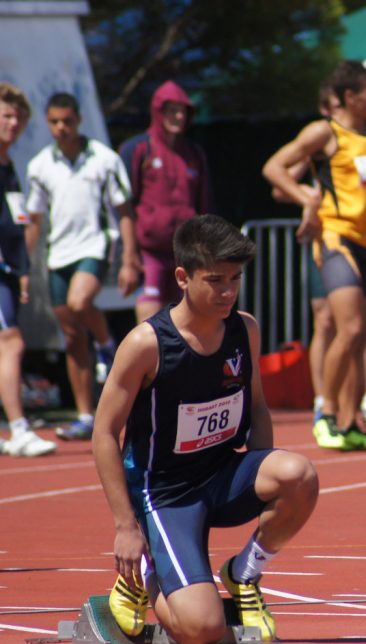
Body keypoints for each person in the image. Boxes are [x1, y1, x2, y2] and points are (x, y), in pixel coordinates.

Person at [93, 215, 319, 644]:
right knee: (202, 630)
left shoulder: (244, 329)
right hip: (165, 494)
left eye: (235, 279)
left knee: (299, 474)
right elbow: (104, 433)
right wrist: (125, 525)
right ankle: (145, 573)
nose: (228, 291)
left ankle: (244, 574)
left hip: (220, 475)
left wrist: (260, 473)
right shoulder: (147, 344)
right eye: (215, 280)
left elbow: (256, 406)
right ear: (182, 277)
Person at [262, 60, 366, 451]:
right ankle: (325, 413)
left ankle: (350, 422)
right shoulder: (325, 131)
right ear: (350, 96)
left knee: (361, 337)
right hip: (337, 238)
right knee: (347, 329)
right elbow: (273, 167)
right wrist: (306, 196)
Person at [26, 92, 141, 441]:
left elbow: (123, 211)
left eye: (68, 121)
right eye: (55, 122)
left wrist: (129, 259)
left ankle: (107, 345)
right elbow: (34, 219)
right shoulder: (40, 165)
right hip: (56, 253)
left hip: (94, 245)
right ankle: (85, 413)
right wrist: (22, 267)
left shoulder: (104, 160)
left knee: (80, 302)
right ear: (48, 123)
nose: (62, 128)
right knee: (73, 335)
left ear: (78, 120)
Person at [119, 81, 212, 323]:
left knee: (188, 322)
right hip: (149, 253)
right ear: (158, 112)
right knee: (150, 323)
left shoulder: (194, 153)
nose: (179, 117)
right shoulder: (137, 149)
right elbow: (124, 207)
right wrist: (128, 256)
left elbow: (204, 206)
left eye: (183, 111)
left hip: (185, 252)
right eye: (172, 110)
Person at [0, 83, 56, 457]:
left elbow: (16, 224)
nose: (14, 122)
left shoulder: (10, 166)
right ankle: (19, 428)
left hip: (7, 271)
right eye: (6, 115)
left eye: (19, 117)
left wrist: (20, 270)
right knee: (12, 342)